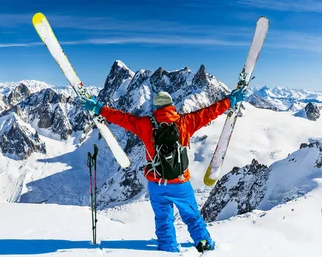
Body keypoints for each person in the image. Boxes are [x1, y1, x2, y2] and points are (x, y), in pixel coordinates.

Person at [79, 88, 248, 253]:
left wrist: (99, 108)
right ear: (171, 105)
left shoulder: (145, 124)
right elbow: (209, 112)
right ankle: (203, 243)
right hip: (181, 183)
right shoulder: (185, 122)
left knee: (163, 219)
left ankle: (168, 249)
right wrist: (230, 100)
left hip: (156, 182)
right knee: (192, 216)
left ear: (156, 107)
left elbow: (122, 118)